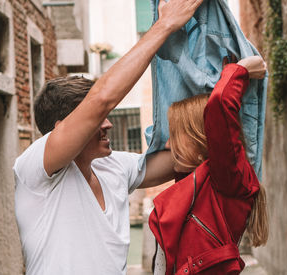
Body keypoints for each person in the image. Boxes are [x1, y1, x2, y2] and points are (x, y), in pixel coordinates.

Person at [13, 0, 205, 274]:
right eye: (96, 120)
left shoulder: (112, 167)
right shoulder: (35, 172)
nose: (108, 124)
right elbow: (102, 99)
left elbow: (182, 158)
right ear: (63, 128)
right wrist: (164, 25)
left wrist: (230, 85)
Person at [149, 56, 269, 275]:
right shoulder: (197, 186)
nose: (167, 144)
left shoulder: (226, 180)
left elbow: (220, 105)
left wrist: (239, 71)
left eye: (175, 135)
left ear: (200, 138)